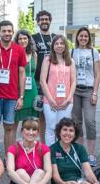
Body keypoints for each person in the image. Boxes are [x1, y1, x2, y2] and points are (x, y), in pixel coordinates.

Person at [0, 20, 26, 152]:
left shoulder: (19, 50)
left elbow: (22, 73)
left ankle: (9, 158)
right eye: (4, 31)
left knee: (9, 127)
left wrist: (21, 96)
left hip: (12, 95)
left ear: (13, 32)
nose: (7, 33)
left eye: (9, 31)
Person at [70, 27, 100, 164]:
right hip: (75, 90)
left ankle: (91, 154)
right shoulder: (71, 52)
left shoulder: (94, 52)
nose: (83, 38)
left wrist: (95, 92)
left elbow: (97, 74)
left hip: (88, 90)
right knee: (76, 122)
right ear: (77, 37)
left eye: (86, 36)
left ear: (89, 38)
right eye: (81, 36)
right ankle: (80, 153)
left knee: (90, 121)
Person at [40, 35, 76, 146]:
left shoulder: (70, 61)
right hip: (50, 101)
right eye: (56, 43)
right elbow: (42, 80)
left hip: (66, 102)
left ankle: (61, 154)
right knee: (51, 129)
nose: (59, 46)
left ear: (65, 45)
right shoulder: (48, 60)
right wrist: (51, 100)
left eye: (61, 43)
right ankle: (50, 155)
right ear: (53, 46)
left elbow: (74, 81)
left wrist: (68, 99)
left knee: (63, 129)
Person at [31, 10, 55, 144]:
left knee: (53, 111)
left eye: (46, 19)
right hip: (38, 80)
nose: (44, 21)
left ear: (50, 21)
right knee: (39, 113)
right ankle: (41, 143)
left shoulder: (56, 37)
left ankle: (53, 142)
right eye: (41, 19)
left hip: (54, 80)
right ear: (38, 22)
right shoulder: (33, 38)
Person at [13, 30, 38, 124]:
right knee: (15, 120)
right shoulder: (15, 54)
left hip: (32, 89)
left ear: (29, 40)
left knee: (32, 120)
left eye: (25, 38)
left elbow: (33, 72)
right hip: (18, 89)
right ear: (17, 41)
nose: (22, 41)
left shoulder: (34, 54)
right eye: (20, 39)